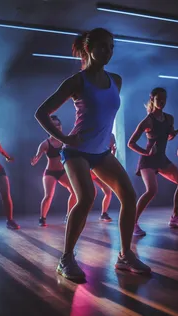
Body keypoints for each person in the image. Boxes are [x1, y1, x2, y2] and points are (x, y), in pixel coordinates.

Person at [35, 28, 151, 280]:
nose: (108, 52)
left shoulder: (116, 81)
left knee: (129, 196)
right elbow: (41, 112)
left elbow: (103, 116)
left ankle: (124, 256)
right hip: (76, 151)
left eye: (111, 47)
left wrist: (107, 138)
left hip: (101, 151)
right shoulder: (77, 81)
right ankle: (65, 259)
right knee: (86, 197)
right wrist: (64, 138)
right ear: (89, 49)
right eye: (102, 47)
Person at [128, 87, 178, 236]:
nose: (161, 101)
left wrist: (171, 135)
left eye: (164, 99)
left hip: (161, 158)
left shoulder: (169, 119)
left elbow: (166, 136)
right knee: (152, 190)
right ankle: (132, 223)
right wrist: (146, 152)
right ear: (152, 100)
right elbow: (131, 143)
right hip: (147, 160)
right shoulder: (148, 120)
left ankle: (175, 217)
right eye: (158, 99)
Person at [31, 115, 76, 226]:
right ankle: (42, 218)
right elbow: (37, 157)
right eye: (54, 125)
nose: (57, 127)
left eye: (58, 125)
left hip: (62, 172)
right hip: (50, 173)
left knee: (74, 191)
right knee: (48, 195)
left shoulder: (65, 141)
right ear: (49, 128)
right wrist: (34, 160)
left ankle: (68, 216)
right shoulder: (45, 144)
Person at [91, 132, 116, 222]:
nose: (112, 142)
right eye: (110, 140)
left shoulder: (109, 149)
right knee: (90, 194)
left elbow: (108, 161)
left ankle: (103, 213)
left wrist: (113, 152)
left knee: (108, 192)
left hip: (99, 173)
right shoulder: (98, 146)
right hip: (90, 172)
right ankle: (78, 214)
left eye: (113, 141)